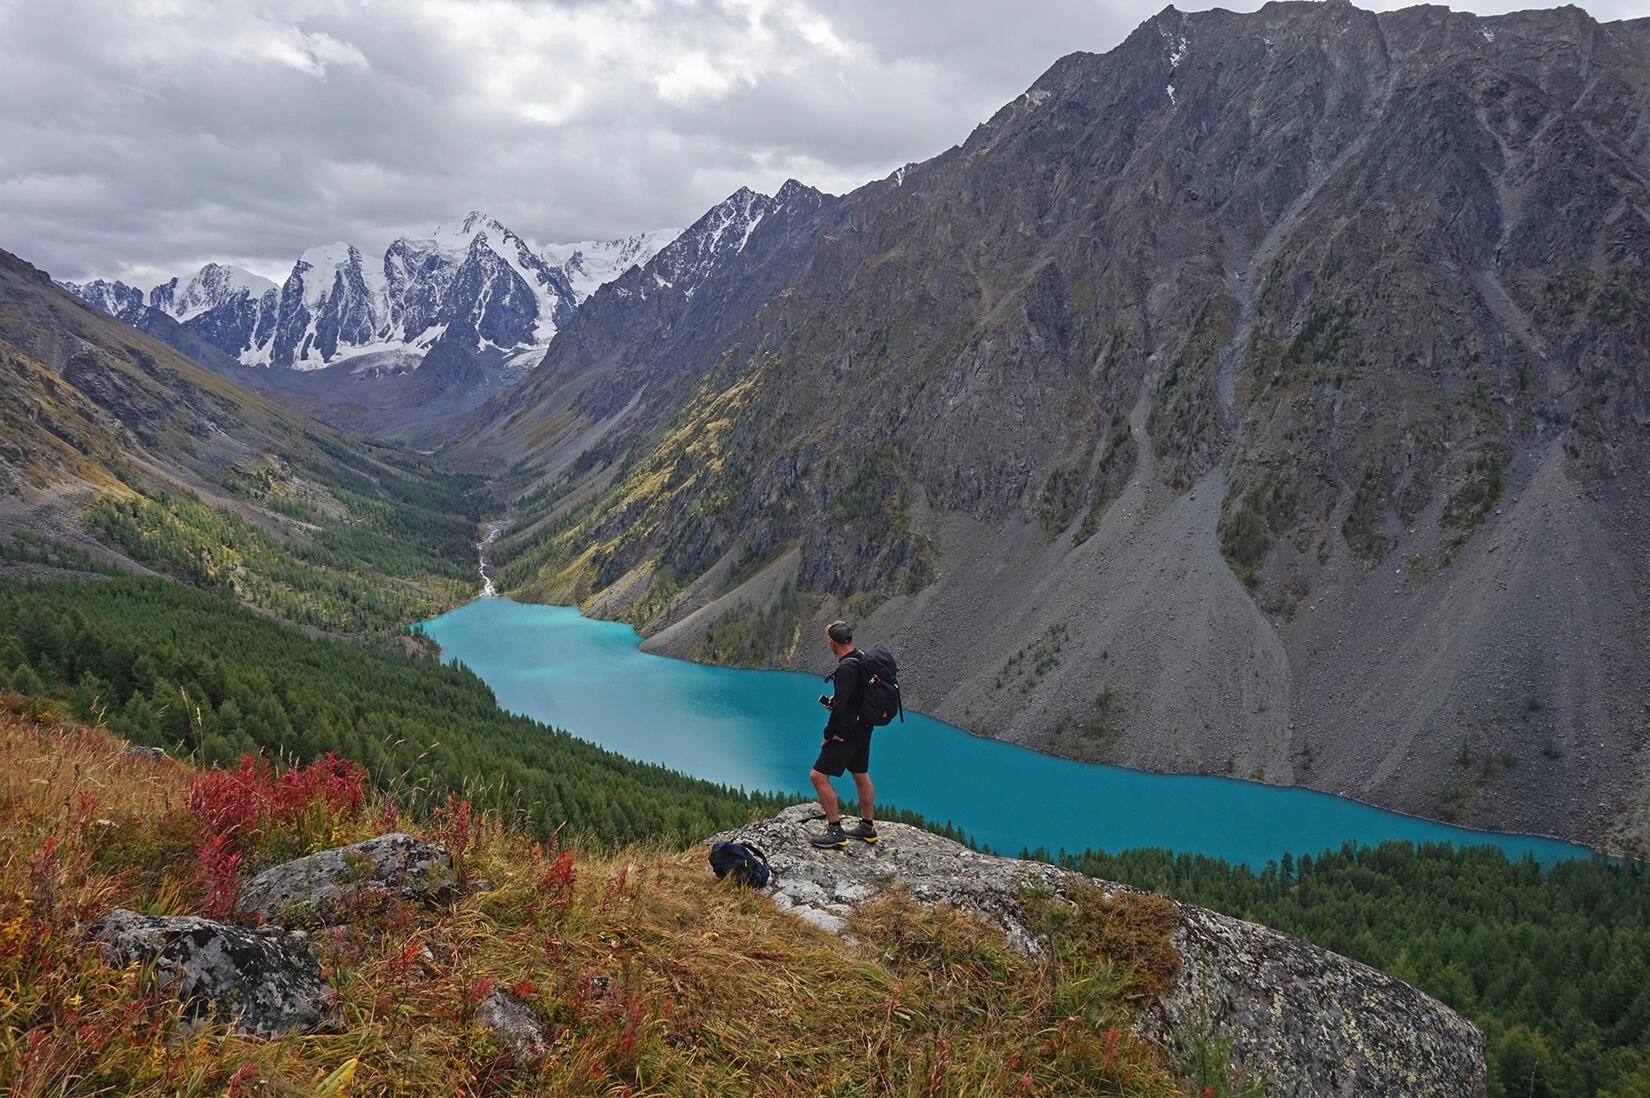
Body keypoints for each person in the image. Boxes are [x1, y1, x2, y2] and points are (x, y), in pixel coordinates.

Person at [808, 620, 878, 848]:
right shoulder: (862, 657)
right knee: (860, 774)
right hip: (864, 728)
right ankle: (867, 827)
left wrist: (829, 734)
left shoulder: (846, 667)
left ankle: (836, 831)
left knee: (818, 777)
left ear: (832, 642)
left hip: (845, 732)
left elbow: (841, 709)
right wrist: (837, 700)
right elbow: (852, 697)